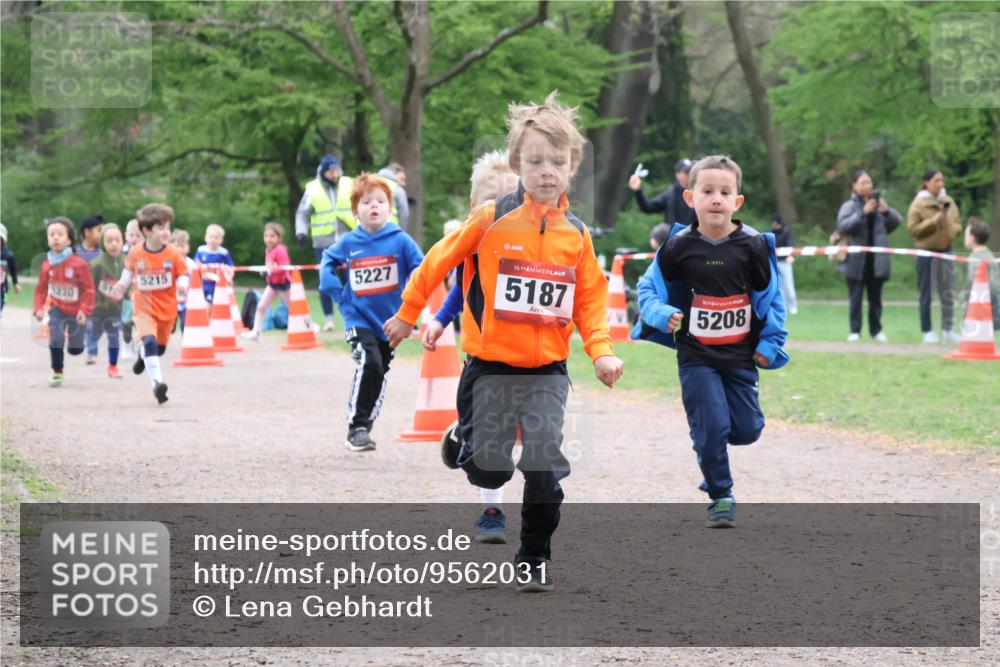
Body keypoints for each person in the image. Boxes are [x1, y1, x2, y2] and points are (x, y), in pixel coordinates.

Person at [384, 92, 624, 592]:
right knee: (488, 472)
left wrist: (600, 352)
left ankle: (534, 556)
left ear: (572, 166)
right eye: (535, 161)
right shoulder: (491, 218)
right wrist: (408, 313)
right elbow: (437, 260)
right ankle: (464, 439)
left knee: (542, 464)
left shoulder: (576, 236)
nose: (545, 171)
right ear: (518, 164)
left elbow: (590, 301)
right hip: (489, 367)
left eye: (557, 162)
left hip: (547, 373)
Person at [631, 155, 788, 529]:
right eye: (707, 191)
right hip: (695, 355)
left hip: (740, 357)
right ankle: (721, 494)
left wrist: (769, 345)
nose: (716, 199)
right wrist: (658, 314)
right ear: (690, 198)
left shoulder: (752, 246)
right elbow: (647, 289)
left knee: (747, 431)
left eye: (725, 192)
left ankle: (708, 449)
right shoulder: (677, 246)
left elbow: (773, 300)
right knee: (712, 424)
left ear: (738, 201)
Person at [421, 149, 519, 544]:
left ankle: (503, 506)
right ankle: (491, 507)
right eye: (491, 204)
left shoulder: (536, 245)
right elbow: (460, 289)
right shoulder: (473, 243)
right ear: (474, 206)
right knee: (491, 442)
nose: (501, 213)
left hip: (532, 361)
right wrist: (440, 319)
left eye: (510, 203)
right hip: (484, 356)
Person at [319, 173, 424, 452]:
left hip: (389, 322)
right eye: (366, 202)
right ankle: (356, 427)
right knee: (370, 361)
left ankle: (365, 425)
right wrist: (331, 285)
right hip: (358, 316)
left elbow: (421, 266)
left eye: (380, 201)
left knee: (380, 369)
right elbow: (328, 260)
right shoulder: (351, 242)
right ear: (356, 211)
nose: (374, 206)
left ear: (390, 208)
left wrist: (414, 286)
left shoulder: (400, 240)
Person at [111, 204, 189, 405]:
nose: (166, 232)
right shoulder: (136, 253)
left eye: (168, 227)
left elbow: (183, 274)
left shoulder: (173, 253)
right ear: (147, 231)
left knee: (159, 348)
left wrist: (182, 286)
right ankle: (158, 385)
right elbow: (128, 273)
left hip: (167, 309)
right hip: (144, 308)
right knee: (150, 342)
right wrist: (120, 286)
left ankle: (142, 357)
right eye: (161, 228)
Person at [835, 169, 902, 342]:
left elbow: (896, 222)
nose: (867, 186)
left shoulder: (879, 204)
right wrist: (862, 213)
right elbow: (843, 227)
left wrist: (885, 211)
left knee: (876, 299)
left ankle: (876, 330)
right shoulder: (849, 206)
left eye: (869, 182)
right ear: (854, 186)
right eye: (863, 183)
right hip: (856, 261)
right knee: (855, 298)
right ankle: (855, 331)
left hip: (877, 260)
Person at [33, 217, 96, 387]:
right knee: (55, 341)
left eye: (60, 234)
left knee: (75, 350)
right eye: (51, 234)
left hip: (77, 312)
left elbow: (89, 290)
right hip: (57, 308)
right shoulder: (47, 265)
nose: (55, 237)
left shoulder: (79, 264)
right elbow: (40, 290)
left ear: (69, 239)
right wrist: (38, 308)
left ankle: (77, 344)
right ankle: (57, 371)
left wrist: (84, 309)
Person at [296, 155, 355, 332]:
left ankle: (352, 316)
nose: (335, 174)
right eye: (331, 171)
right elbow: (302, 213)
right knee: (325, 280)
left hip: (347, 239)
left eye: (337, 169)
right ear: (323, 172)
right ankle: (329, 319)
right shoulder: (312, 189)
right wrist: (301, 233)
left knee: (351, 280)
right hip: (323, 243)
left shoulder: (349, 184)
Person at [907, 168, 962, 344]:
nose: (940, 184)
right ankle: (927, 330)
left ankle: (948, 329)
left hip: (946, 251)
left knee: (947, 291)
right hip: (926, 253)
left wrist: (952, 229)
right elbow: (913, 230)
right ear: (926, 182)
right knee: (926, 293)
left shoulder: (949, 202)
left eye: (942, 180)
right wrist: (933, 221)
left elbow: (957, 224)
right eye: (936, 180)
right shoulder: (918, 204)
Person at [242, 222, 294, 341]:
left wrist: (269, 271)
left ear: (279, 238)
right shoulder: (268, 250)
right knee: (261, 307)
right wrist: (266, 271)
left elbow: (284, 267)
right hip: (273, 284)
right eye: (266, 236)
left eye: (272, 236)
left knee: (293, 307)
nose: (268, 239)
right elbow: (270, 266)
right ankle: (255, 332)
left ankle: (309, 327)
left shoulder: (280, 249)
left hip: (283, 284)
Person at [88, 224, 127, 379]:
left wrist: (130, 294)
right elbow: (88, 285)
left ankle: (113, 366)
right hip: (97, 309)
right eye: (109, 240)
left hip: (114, 309)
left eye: (117, 240)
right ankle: (91, 351)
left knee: (113, 337)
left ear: (122, 241)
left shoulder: (126, 262)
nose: (114, 243)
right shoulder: (97, 263)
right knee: (93, 334)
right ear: (103, 243)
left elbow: (129, 282)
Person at [628, 158, 697, 227]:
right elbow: (647, 207)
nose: (689, 174)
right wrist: (637, 190)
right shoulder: (671, 194)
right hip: (674, 237)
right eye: (686, 172)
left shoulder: (699, 192)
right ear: (677, 175)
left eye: (691, 171)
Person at [963, 218, 1000, 331]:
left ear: (972, 238)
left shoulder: (974, 257)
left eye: (966, 235)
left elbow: (972, 281)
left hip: (982, 299)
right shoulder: (988, 254)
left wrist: (964, 296)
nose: (965, 238)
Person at [78, 213, 104, 363]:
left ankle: (89, 342)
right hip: (83, 297)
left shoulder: (102, 253)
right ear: (87, 232)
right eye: (99, 230)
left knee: (99, 325)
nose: (101, 234)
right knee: (89, 323)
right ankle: (92, 352)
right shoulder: (76, 253)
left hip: (100, 297)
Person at [119, 219, 143, 361]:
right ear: (126, 235)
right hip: (128, 294)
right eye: (131, 235)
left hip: (143, 294)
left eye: (138, 235)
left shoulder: (147, 251)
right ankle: (127, 343)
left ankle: (142, 344)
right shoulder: (121, 252)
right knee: (127, 320)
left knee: (142, 321)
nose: (134, 239)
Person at [193, 224, 233, 305]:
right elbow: (196, 264)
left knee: (214, 305)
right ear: (206, 237)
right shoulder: (201, 250)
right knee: (201, 304)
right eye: (211, 237)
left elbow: (230, 267)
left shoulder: (223, 252)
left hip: (218, 283)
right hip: (203, 283)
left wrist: (230, 278)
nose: (213, 240)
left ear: (221, 240)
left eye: (216, 237)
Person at [169, 229, 197, 331]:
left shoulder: (191, 264)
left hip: (186, 301)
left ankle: (187, 345)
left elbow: (197, 281)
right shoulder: (167, 263)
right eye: (176, 246)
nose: (179, 250)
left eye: (182, 246)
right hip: (171, 301)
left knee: (185, 324)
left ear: (187, 248)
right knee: (169, 327)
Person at [771, 214, 798, 315]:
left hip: (786, 262)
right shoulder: (772, 232)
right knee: (778, 287)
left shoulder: (787, 232)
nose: (773, 226)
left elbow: (791, 244)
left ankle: (793, 307)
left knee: (789, 287)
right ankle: (782, 307)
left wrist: (791, 256)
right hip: (775, 262)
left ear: (779, 224)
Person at [377, 163, 410, 231]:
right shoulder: (397, 189)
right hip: (390, 232)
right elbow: (404, 213)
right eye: (402, 179)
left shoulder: (368, 185)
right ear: (393, 174)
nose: (404, 184)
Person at [0, 223, 20, 315]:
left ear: (3, 240)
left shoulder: (8, 255)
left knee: (1, 302)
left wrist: (15, 283)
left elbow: (13, 270)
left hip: (2, 287)